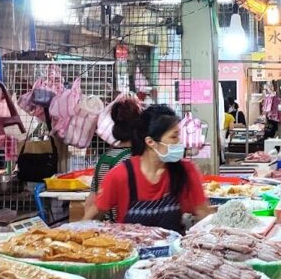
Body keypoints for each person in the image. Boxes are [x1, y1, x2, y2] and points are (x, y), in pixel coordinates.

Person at [86, 104, 210, 232]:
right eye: (174, 137)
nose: (179, 143)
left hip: (175, 250)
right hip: (132, 250)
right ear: (150, 142)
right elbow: (92, 217)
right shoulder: (122, 175)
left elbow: (203, 213)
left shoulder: (185, 171)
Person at [85, 97, 142, 219]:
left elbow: (92, 199)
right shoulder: (132, 159)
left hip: (105, 227)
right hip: (126, 227)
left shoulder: (105, 157)